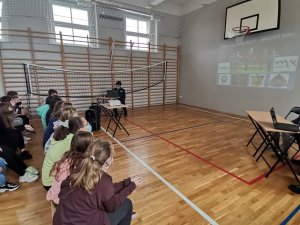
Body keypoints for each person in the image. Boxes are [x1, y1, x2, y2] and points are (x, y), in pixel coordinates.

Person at [53, 139, 143, 225]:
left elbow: (105, 192)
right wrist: (130, 187)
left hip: (61, 220)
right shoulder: (103, 181)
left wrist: (128, 182)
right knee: (127, 204)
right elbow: (112, 206)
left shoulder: (80, 169)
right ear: (109, 160)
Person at [42, 116, 90, 190]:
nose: (88, 126)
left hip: (48, 177)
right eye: (86, 125)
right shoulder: (72, 140)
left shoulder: (67, 134)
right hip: (51, 182)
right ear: (79, 129)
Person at [46, 131, 94, 205]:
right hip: (60, 200)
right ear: (87, 148)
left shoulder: (67, 156)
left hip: (61, 195)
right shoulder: (70, 165)